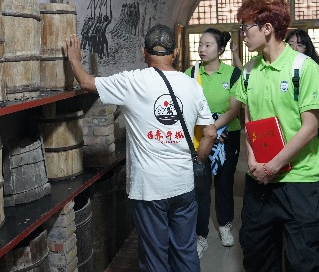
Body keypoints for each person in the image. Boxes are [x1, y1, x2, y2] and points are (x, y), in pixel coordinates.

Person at [66, 24, 217, 272]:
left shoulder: (132, 81)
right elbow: (210, 133)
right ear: (175, 53)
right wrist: (198, 160)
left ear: (143, 52)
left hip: (150, 189)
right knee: (185, 250)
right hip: (183, 183)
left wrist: (74, 60)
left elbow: (85, 82)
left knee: (155, 255)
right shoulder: (192, 85)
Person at [234, 0, 319, 272]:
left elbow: (309, 128)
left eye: (246, 27)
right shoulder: (249, 71)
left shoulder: (304, 67)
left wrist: (273, 166)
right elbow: (248, 118)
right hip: (259, 178)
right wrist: (253, 161)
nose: (242, 34)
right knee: (257, 255)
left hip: (298, 180)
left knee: (304, 260)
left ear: (266, 28)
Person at [185, 28, 242, 258]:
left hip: (227, 137)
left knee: (224, 182)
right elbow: (186, 108)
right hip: (199, 138)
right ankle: (201, 235)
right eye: (200, 44)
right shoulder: (190, 74)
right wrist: (207, 131)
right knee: (200, 186)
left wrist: (215, 128)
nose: (202, 49)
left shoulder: (233, 74)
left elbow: (234, 109)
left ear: (220, 50)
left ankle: (225, 224)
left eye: (208, 45)